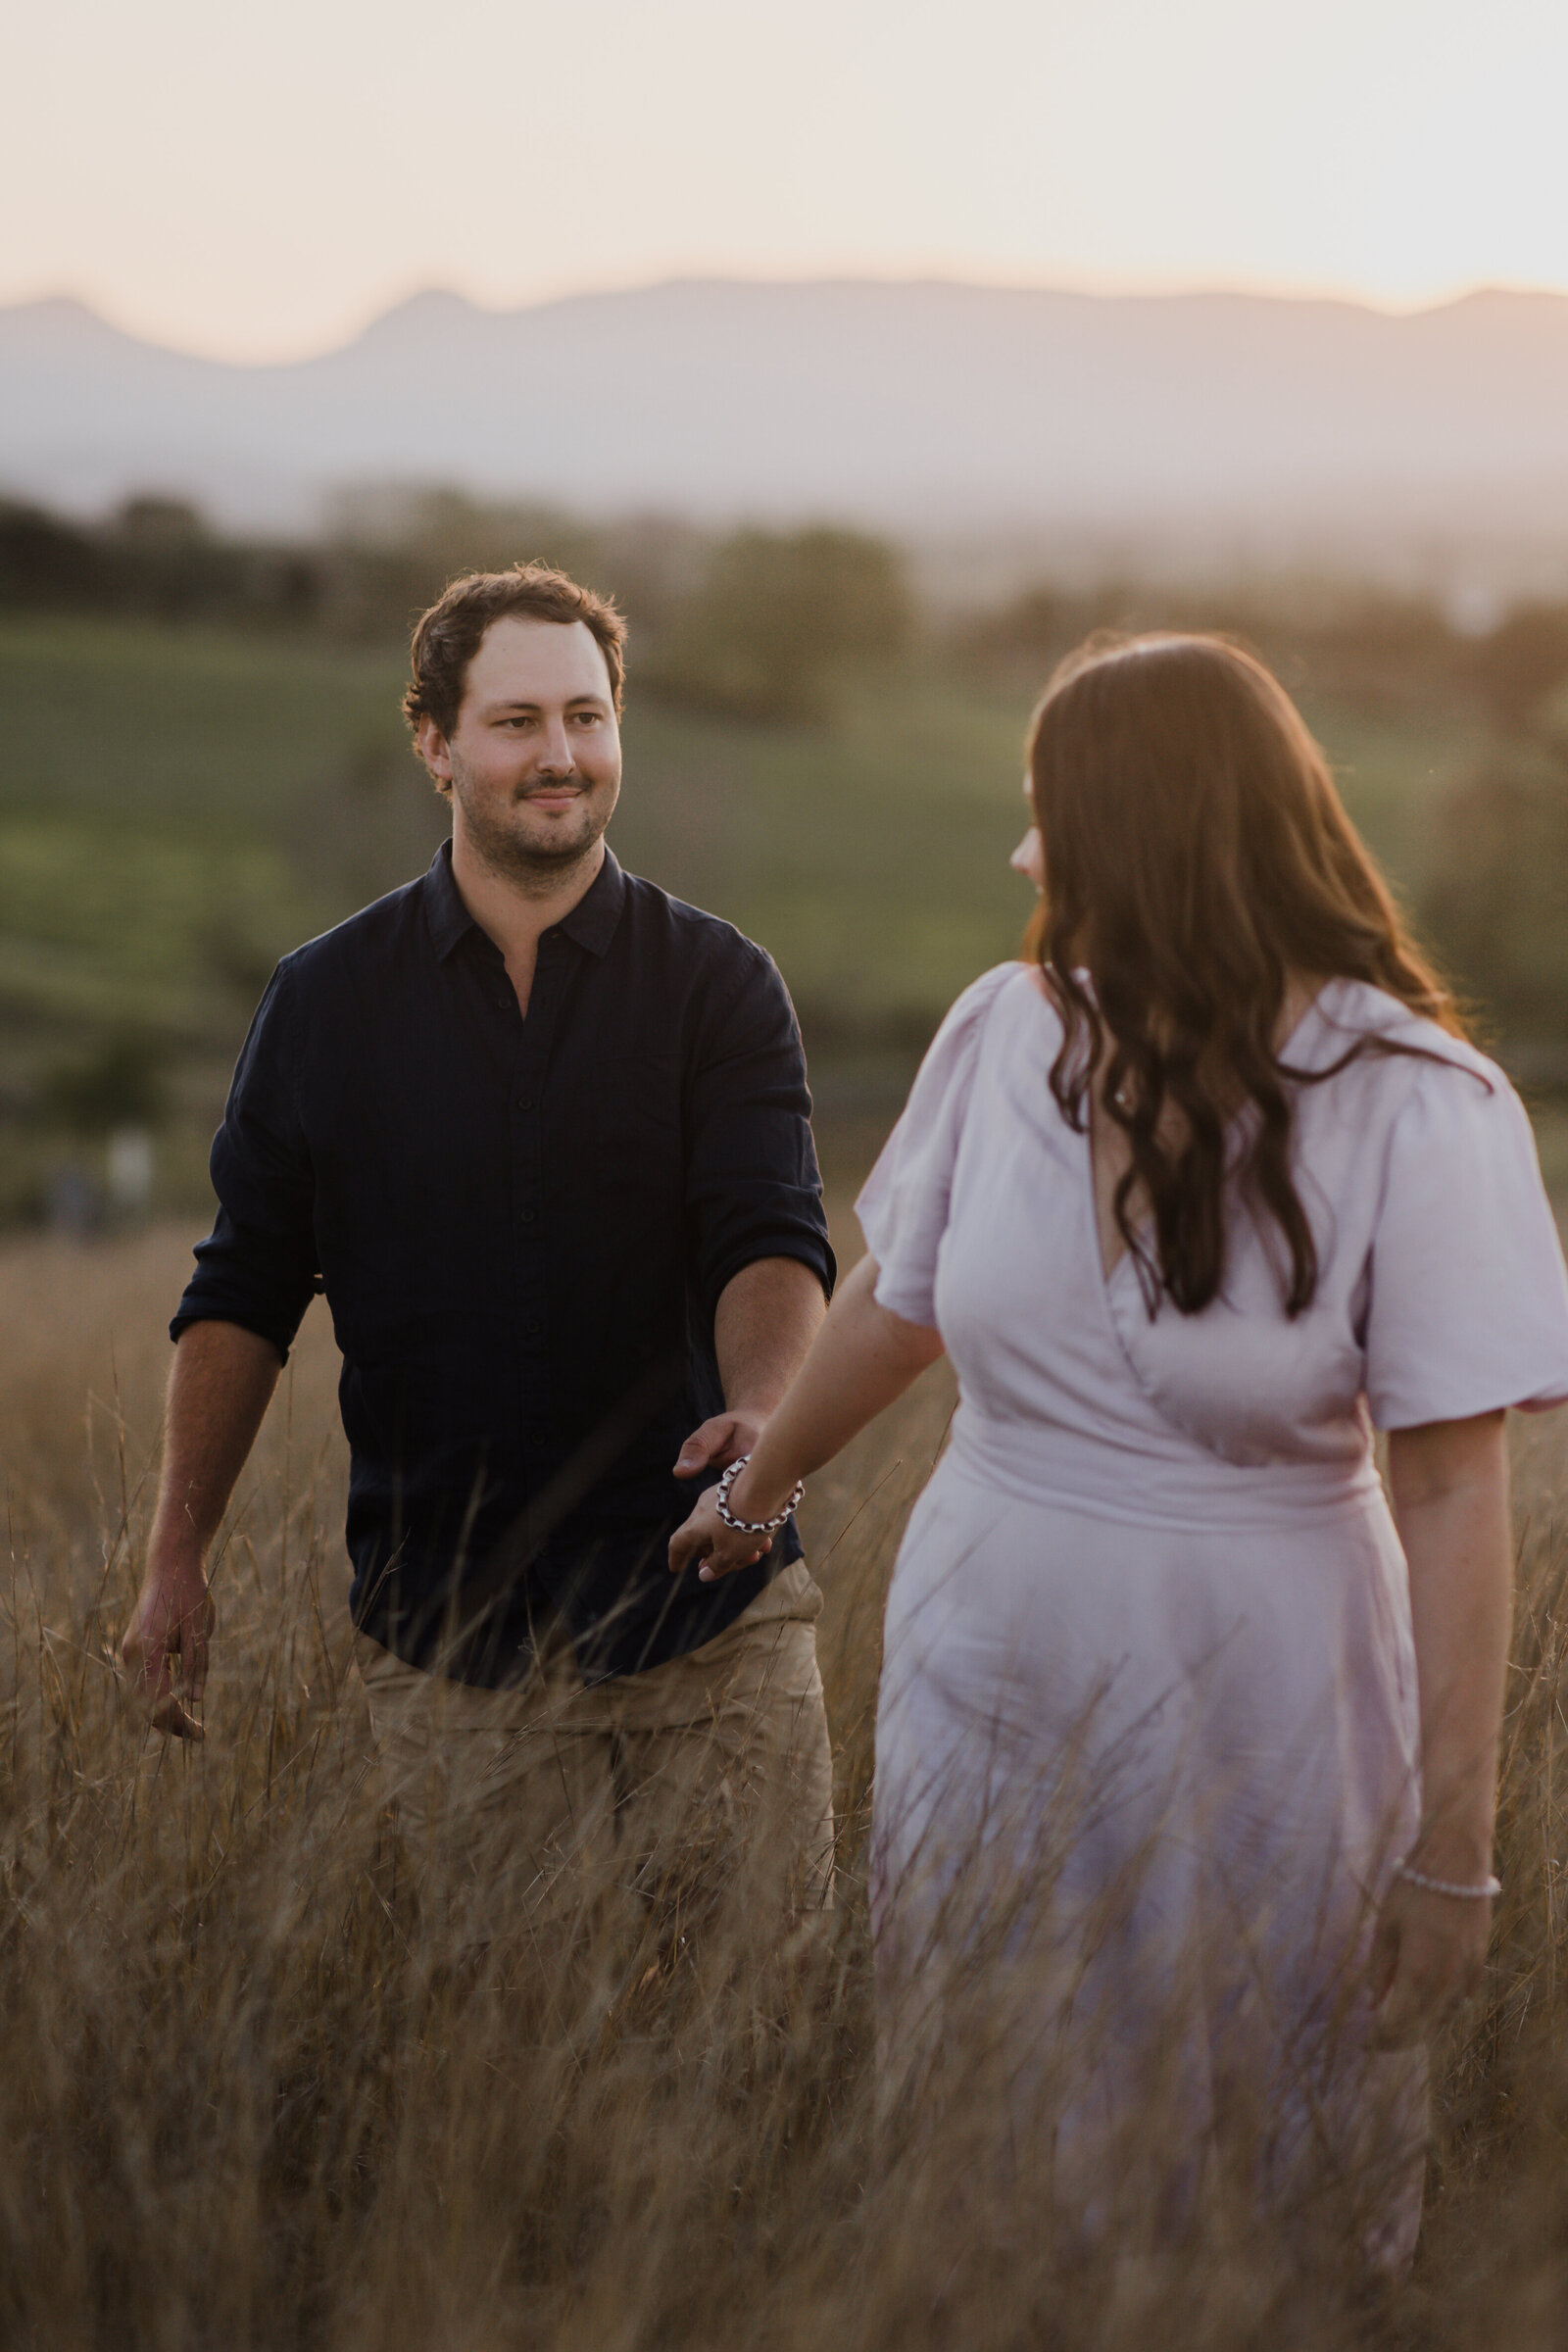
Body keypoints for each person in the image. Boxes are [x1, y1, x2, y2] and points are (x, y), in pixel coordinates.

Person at [669, 633, 1568, 2257]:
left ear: (1155, 831)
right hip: (981, 1664)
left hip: (1265, 1694)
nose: (1025, 854)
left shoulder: (1417, 1105)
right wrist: (760, 1486)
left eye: (1052, 813)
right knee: (985, 2099)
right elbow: (897, 1303)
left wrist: (1453, 1856)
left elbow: (1448, 1490)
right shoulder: (1008, 1034)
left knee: (1256, 2119)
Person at [122, 563, 837, 1924]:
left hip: (710, 1610)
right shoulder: (325, 1004)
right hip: (453, 1645)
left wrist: (760, 1408)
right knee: (515, 2070)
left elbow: (770, 1234)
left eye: (587, 716)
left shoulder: (719, 986)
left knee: (763, 2039)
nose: (560, 756)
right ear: (436, 743)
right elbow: (245, 1293)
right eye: (517, 722)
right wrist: (176, 1556)